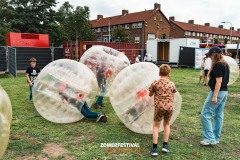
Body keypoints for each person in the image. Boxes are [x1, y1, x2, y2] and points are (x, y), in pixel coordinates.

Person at [200, 46, 229, 146]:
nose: (210, 57)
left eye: (210, 55)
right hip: (224, 92)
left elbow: (219, 81)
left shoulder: (217, 65)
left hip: (218, 92)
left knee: (205, 114)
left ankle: (209, 139)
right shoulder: (225, 64)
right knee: (218, 115)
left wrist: (215, 96)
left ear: (214, 55)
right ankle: (215, 137)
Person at [149, 64, 177, 156]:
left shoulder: (155, 83)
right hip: (170, 107)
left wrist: (152, 92)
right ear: (169, 73)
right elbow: (173, 95)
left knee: (156, 125)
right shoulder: (171, 84)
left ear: (159, 73)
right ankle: (165, 146)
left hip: (159, 107)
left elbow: (150, 94)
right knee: (167, 124)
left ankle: (154, 148)